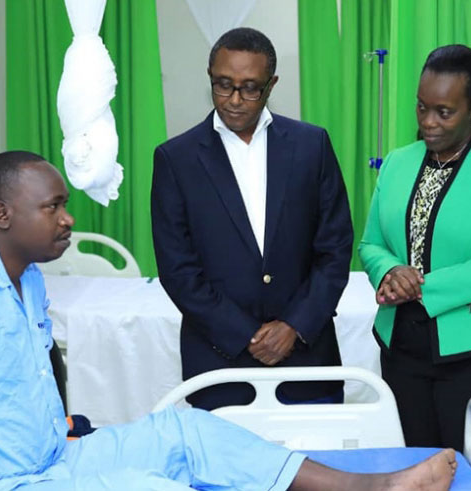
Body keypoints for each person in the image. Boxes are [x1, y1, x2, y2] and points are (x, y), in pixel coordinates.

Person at [0, 151, 456, 490]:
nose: (68, 219)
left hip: (55, 456)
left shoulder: (26, 279)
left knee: (193, 434)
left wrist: (60, 423)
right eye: (53, 207)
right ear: (2, 215)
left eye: (65, 205)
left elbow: (4, 376)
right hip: (1, 482)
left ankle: (372, 490)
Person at [151, 27, 353, 410]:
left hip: (307, 359)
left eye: (250, 87)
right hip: (219, 363)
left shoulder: (312, 146)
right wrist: (247, 334)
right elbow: (178, 269)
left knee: (322, 466)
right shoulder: (175, 159)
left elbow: (335, 248)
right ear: (209, 75)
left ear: (271, 84)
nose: (234, 100)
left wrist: (293, 326)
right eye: (222, 85)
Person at [358, 44, 471, 452]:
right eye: (422, 108)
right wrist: (390, 271)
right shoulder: (397, 161)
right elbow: (371, 242)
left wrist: (423, 286)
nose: (429, 122)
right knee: (416, 468)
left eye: (444, 112)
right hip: (402, 347)